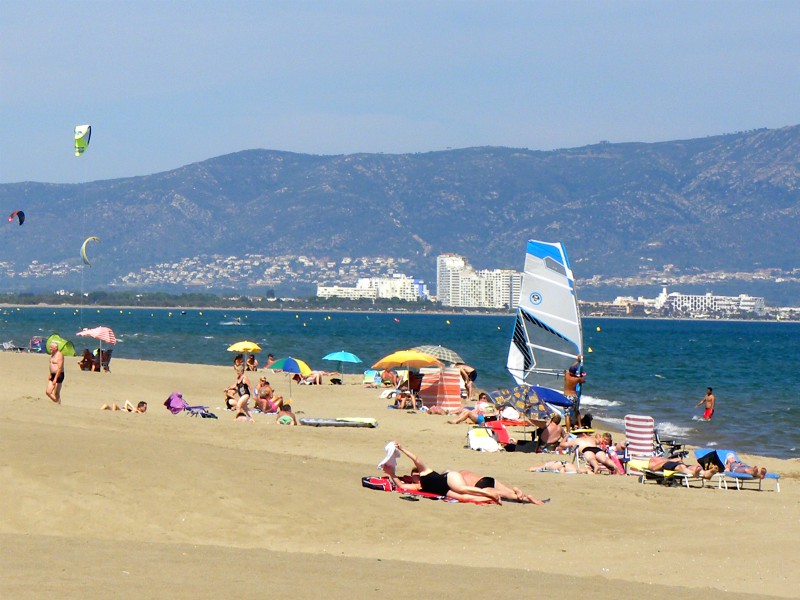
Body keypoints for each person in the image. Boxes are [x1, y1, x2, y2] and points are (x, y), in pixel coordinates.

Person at [384, 442, 545, 505]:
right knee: (464, 496)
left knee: (463, 490)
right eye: (415, 477)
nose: (416, 477)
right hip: (447, 488)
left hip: (450, 479)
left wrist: (402, 448)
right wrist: (391, 473)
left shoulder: (425, 472)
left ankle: (493, 495)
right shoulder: (418, 486)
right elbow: (401, 485)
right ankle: (520, 496)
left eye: (416, 474)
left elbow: (416, 458)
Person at [563, 356, 585, 430]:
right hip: (574, 396)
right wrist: (581, 376)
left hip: (567, 397)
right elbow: (583, 381)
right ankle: (580, 426)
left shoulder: (566, 375)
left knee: (567, 414)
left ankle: (568, 430)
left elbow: (571, 367)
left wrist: (577, 361)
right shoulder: (576, 379)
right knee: (577, 411)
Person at [648, 455, 717, 479]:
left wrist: (678, 460)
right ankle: (693, 473)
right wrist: (670, 460)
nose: (656, 456)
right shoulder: (651, 461)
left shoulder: (660, 458)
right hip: (665, 465)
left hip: (672, 462)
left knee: (693, 466)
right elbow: (653, 468)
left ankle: (706, 473)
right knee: (680, 467)